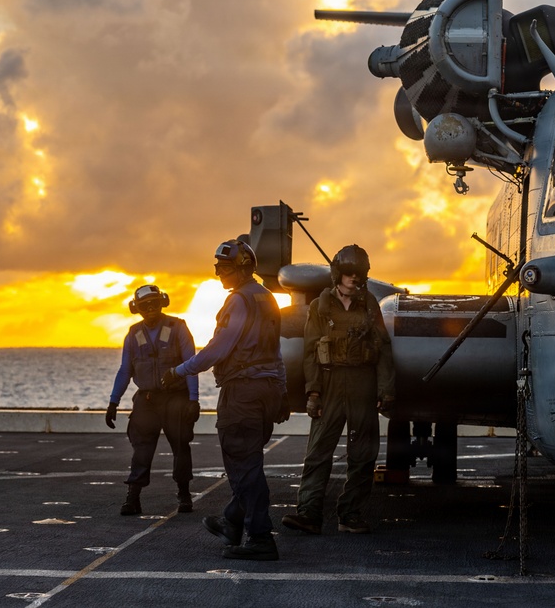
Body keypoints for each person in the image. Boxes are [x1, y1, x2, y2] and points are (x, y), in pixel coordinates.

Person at [162, 239, 290, 561]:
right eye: (218, 267)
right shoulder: (268, 298)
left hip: (242, 394)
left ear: (242, 268)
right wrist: (283, 392)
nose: (218, 272)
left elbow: (217, 350)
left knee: (245, 468)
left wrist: (177, 371)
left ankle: (260, 538)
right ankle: (231, 521)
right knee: (250, 462)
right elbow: (276, 354)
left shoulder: (238, 301)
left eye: (224, 267)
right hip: (268, 392)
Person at [282, 244, 395, 536]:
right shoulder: (321, 306)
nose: (353, 279)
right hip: (330, 383)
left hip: (362, 383)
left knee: (363, 453)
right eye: (348, 274)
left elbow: (382, 348)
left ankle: (350, 513)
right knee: (318, 451)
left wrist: (386, 390)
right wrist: (313, 392)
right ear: (337, 274)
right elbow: (310, 353)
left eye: (358, 274)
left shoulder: (370, 304)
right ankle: (308, 512)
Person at [106, 284, 199, 516]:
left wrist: (193, 399)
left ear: (163, 303)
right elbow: (125, 370)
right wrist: (113, 402)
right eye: (144, 305)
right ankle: (133, 497)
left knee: (180, 446)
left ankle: (184, 494)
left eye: (154, 303)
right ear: (135, 308)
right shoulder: (133, 335)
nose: (150, 309)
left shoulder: (178, 328)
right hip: (146, 400)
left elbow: (191, 365)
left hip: (175, 398)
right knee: (141, 450)